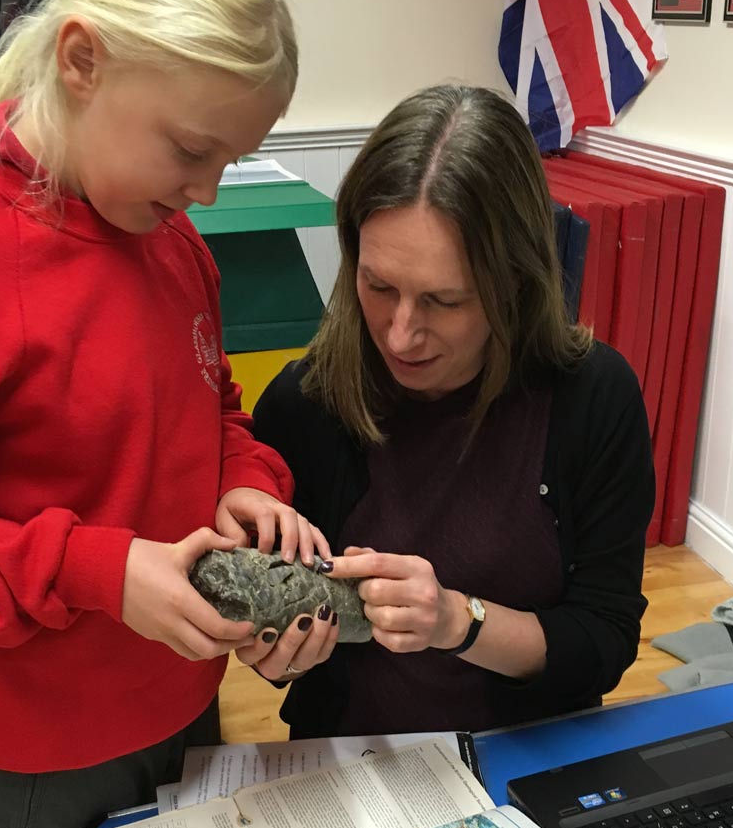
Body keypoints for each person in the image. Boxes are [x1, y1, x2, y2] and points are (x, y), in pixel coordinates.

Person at [0, 0, 338, 828]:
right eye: (190, 149)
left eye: (231, 158)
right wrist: (99, 570)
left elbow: (214, 409)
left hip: (181, 683)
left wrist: (245, 481)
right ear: (81, 61)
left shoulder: (169, 239)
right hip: (41, 738)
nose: (206, 192)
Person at [250, 85, 655, 739]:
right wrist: (277, 646)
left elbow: (603, 642)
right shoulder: (304, 404)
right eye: (379, 286)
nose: (400, 334)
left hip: (527, 756)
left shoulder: (593, 396)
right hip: (348, 767)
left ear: (516, 284)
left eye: (443, 300)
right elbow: (274, 654)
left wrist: (456, 622)